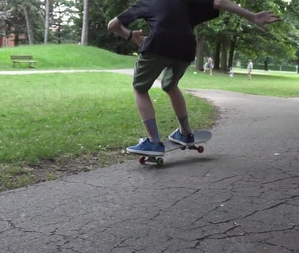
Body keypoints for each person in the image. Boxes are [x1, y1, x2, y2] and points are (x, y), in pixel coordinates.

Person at [107, 0, 280, 156]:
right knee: (171, 86)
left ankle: (153, 141)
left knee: (140, 89)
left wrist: (130, 36)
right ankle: (186, 133)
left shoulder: (145, 2)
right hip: (187, 48)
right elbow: (219, 2)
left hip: (158, 44)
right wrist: (253, 16)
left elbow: (113, 25)